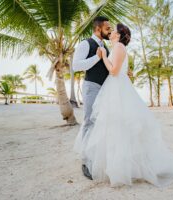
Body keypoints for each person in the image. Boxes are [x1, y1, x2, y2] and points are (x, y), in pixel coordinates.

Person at [74, 23, 173, 187]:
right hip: (113, 87)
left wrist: (103, 56)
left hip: (117, 88)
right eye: (109, 29)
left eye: (113, 30)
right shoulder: (115, 47)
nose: (111, 32)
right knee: (113, 126)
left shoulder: (118, 47)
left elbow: (113, 71)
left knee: (120, 125)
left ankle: (123, 166)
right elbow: (116, 69)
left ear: (119, 35)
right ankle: (112, 163)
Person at [72, 16, 112, 180]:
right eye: (107, 28)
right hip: (91, 87)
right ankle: (86, 162)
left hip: (105, 90)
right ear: (98, 29)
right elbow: (76, 66)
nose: (110, 31)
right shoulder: (86, 43)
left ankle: (97, 157)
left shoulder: (106, 47)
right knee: (89, 122)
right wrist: (97, 57)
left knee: (102, 123)